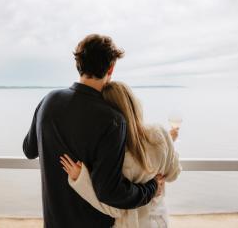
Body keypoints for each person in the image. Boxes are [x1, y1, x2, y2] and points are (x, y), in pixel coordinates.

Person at [22, 34, 163, 228]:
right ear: (111, 68)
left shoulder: (49, 101)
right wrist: (151, 188)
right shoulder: (113, 120)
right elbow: (110, 192)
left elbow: (29, 150)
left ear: (78, 65)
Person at [60, 81, 182, 228]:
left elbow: (115, 209)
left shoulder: (115, 154)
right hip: (158, 220)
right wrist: (169, 143)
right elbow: (173, 174)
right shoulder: (160, 134)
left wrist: (81, 179)